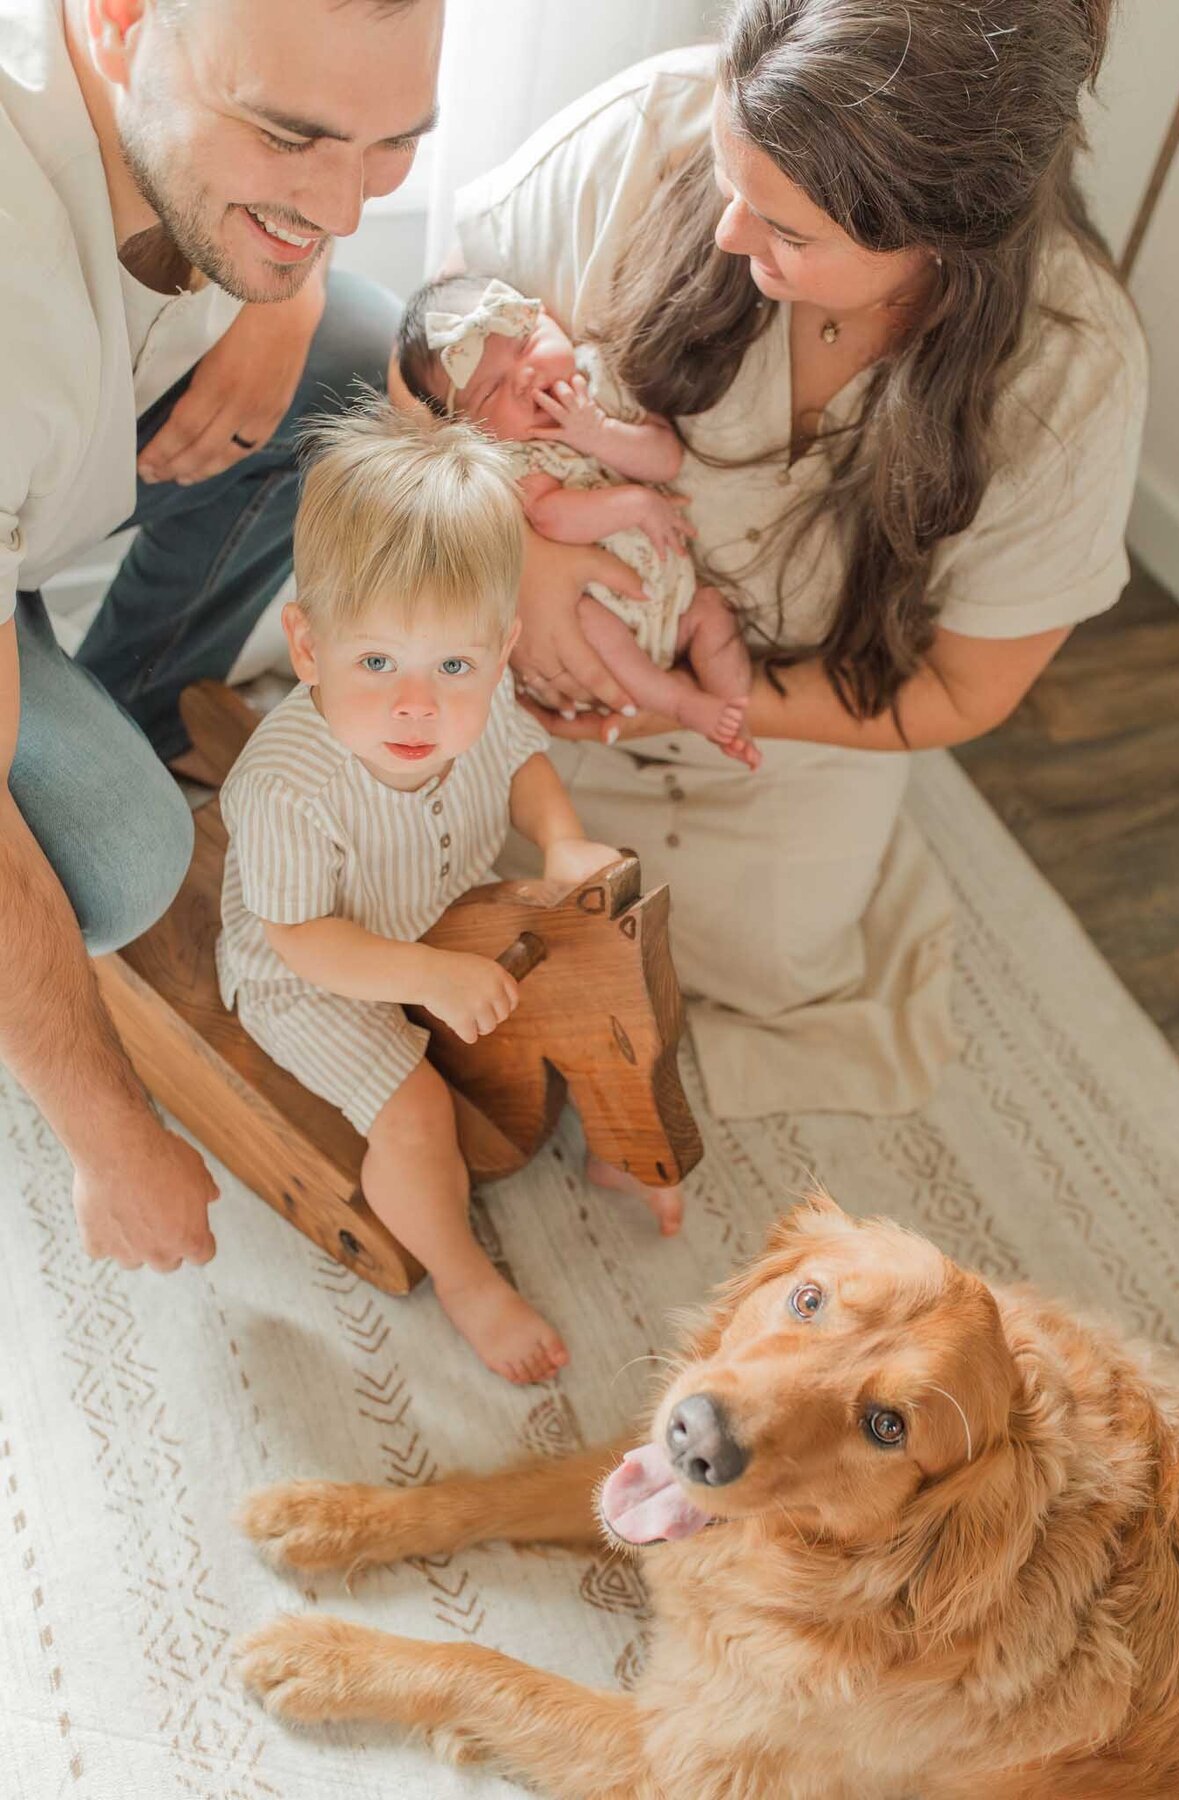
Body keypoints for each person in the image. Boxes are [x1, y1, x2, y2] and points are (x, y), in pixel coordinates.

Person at [440, 0, 1147, 1122]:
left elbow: (964, 688)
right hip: (506, 650)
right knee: (405, 866)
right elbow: (427, 353)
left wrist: (690, 709)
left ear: (941, 231)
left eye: (788, 231)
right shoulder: (642, 131)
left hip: (773, 734)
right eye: (728, 177)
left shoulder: (1071, 371)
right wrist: (520, 551)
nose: (727, 234)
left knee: (780, 984)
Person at [0, 0, 443, 1273]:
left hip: (40, 479)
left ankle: (116, 696)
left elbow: (317, 218)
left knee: (358, 345)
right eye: (292, 135)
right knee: (122, 858)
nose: (349, 205)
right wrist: (107, 1135)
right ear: (117, 22)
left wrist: (280, 301)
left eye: (394, 145)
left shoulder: (193, 132)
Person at [216, 405, 677, 1383]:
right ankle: (465, 1274)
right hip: (317, 972)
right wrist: (430, 973)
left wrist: (561, 842)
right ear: (307, 649)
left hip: (438, 913)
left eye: (454, 666)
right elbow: (302, 939)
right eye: (376, 662)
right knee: (418, 1117)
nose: (417, 704)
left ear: (501, 650)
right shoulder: (287, 786)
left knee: (595, 964)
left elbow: (522, 765)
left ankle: (625, 1139)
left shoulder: (483, 698)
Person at [396, 274, 761, 767]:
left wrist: (599, 434)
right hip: (605, 618)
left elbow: (665, 459)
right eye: (491, 391)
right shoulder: (514, 458)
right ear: (467, 427)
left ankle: (736, 718)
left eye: (527, 344)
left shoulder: (603, 385)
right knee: (593, 624)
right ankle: (681, 701)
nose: (524, 376)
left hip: (676, 605)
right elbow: (550, 518)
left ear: (550, 316)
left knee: (715, 614)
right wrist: (633, 505)